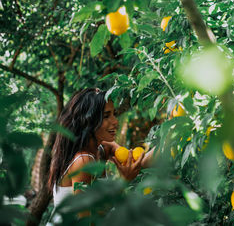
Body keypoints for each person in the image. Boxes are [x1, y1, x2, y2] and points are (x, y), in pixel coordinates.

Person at [47, 88, 154, 221]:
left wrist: (172, 136)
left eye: (114, 114)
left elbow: (138, 162)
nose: (115, 121)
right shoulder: (83, 162)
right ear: (88, 121)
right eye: (106, 116)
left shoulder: (102, 148)